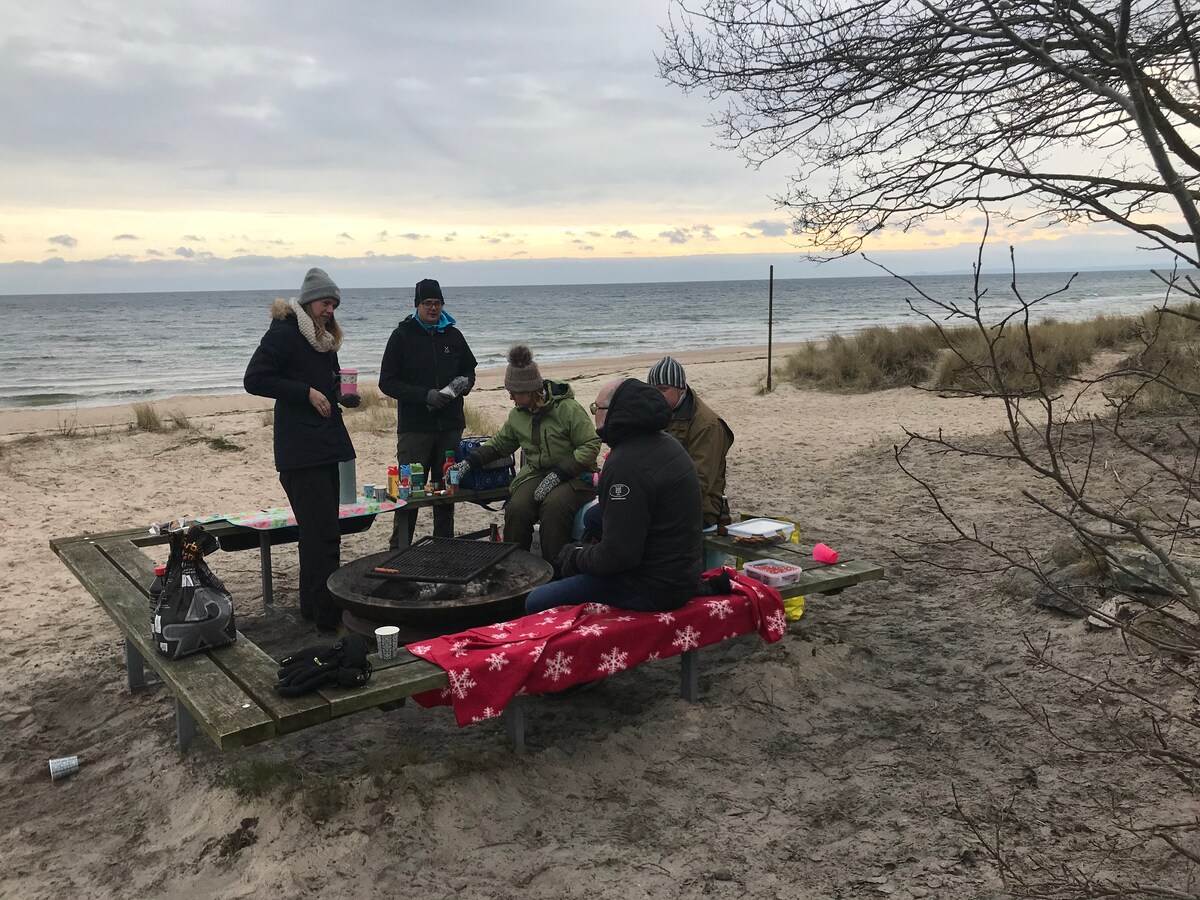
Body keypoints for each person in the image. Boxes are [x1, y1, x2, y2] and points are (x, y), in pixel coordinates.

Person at [523, 377, 703, 614]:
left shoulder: (627, 464)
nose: (594, 414)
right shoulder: (663, 442)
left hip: (655, 587)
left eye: (596, 409)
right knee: (594, 517)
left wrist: (577, 557)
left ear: (616, 412)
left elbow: (619, 556)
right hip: (681, 569)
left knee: (535, 600)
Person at [244, 267, 358, 632]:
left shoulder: (322, 339)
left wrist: (344, 394)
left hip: (324, 445)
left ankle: (314, 610)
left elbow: (328, 385)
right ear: (309, 301)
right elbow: (255, 379)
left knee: (320, 534)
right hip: (300, 451)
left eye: (334, 304)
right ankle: (327, 617)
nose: (330, 310)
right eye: (326, 303)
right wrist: (304, 392)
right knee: (321, 535)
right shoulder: (285, 333)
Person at [448, 343, 598, 564]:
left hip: (577, 475)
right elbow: (500, 444)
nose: (511, 398)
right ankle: (515, 566)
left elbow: (591, 444)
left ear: (529, 389)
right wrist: (468, 462)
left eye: (514, 393)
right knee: (517, 508)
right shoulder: (518, 415)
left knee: (553, 507)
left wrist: (560, 473)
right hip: (538, 473)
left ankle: (553, 569)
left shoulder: (568, 409)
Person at [378, 278, 477, 549]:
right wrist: (425, 395)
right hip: (415, 430)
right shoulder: (402, 336)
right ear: (417, 305)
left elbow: (469, 369)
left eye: (437, 303)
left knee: (446, 492)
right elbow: (386, 382)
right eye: (427, 303)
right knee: (409, 494)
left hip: (450, 427)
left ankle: (443, 548)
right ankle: (399, 550)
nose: (433, 308)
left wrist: (464, 385)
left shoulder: (453, 335)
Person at [647, 356, 734, 529]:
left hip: (700, 508)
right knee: (600, 517)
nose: (656, 395)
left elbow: (698, 483)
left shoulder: (707, 424)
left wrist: (652, 501)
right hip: (660, 499)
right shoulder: (657, 414)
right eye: (651, 390)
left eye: (663, 389)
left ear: (680, 388)